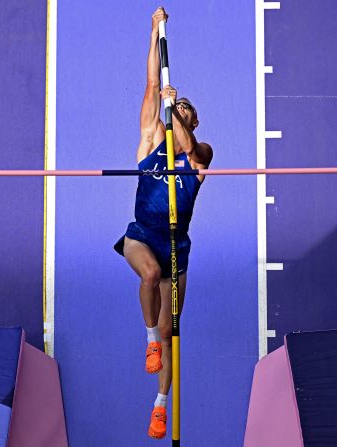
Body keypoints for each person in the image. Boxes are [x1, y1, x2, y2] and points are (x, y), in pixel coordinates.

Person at [113, 6, 213, 440]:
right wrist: (155, 31)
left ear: (191, 122)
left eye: (188, 109)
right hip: (143, 237)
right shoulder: (151, 140)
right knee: (149, 275)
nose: (181, 107)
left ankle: (160, 406)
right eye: (180, 105)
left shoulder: (199, 159)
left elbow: (192, 147)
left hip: (178, 247)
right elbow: (153, 84)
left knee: (176, 332)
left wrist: (177, 111)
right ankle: (148, 336)